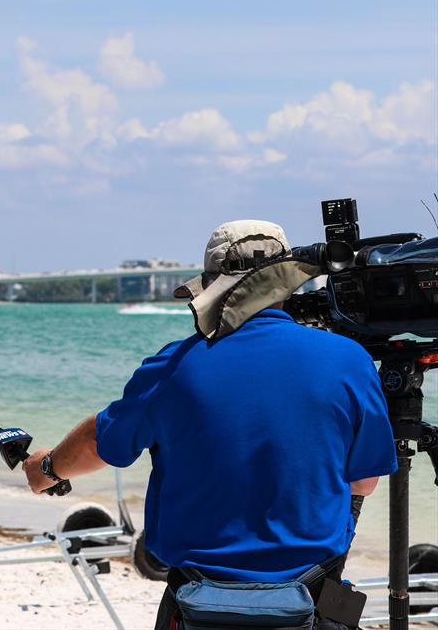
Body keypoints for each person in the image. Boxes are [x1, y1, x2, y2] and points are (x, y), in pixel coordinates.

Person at [21, 220, 398, 629]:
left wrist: (46, 468)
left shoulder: (174, 365)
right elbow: (365, 481)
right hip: (311, 595)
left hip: (197, 599)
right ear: (289, 281)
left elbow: (100, 441)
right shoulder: (349, 360)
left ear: (212, 286)